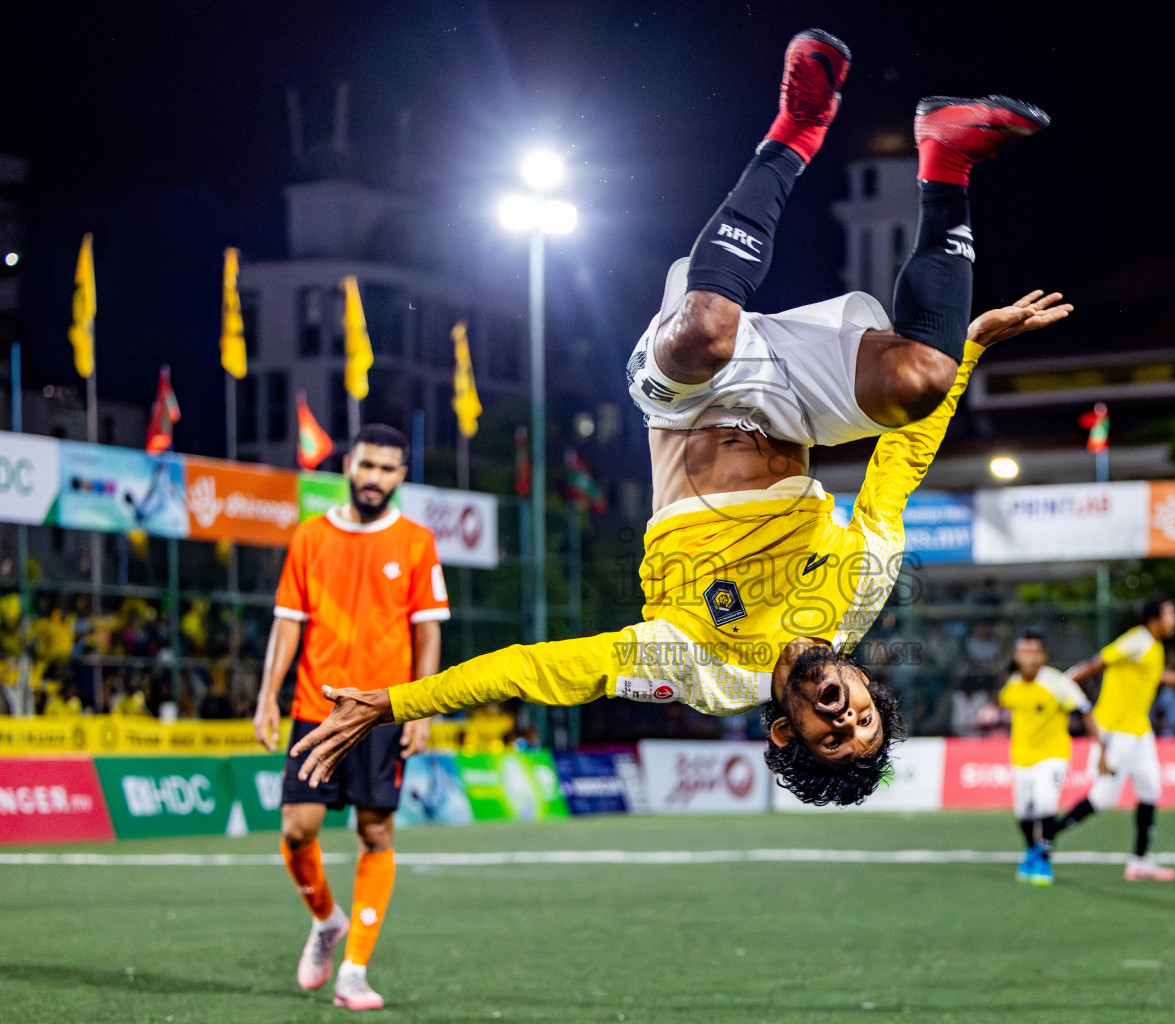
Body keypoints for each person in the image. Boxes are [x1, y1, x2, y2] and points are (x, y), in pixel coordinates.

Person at [291, 29, 1071, 807]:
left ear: (783, 733)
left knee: (706, 331)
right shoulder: (861, 593)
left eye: (834, 735)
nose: (844, 712)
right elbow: (895, 471)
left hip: (684, 401)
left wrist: (397, 700)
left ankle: (795, 129)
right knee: (922, 377)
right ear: (865, 686)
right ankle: (948, 158)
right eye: (864, 717)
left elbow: (551, 667)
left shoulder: (704, 673)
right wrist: (965, 350)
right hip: (790, 403)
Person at [252, 424, 450, 1011]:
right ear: (348, 466)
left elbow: (427, 630)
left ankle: (355, 971)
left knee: (375, 832)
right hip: (316, 709)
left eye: (387, 469)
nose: (374, 478)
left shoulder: (416, 541)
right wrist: (268, 695)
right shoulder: (310, 537)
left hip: (383, 714)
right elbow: (288, 622)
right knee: (296, 829)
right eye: (367, 465)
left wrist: (420, 705)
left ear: (401, 476)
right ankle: (326, 922)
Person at [1045, 597, 1175, 881]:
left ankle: (1139, 862)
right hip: (1116, 731)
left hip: (1139, 731)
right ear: (1154, 619)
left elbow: (1147, 675)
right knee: (1103, 799)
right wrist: (1063, 685)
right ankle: (1045, 836)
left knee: (1150, 790)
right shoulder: (1136, 641)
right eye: (1170, 613)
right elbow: (1098, 662)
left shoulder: (1153, 647)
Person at [997, 631, 1100, 886]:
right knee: (1023, 813)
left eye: (1034, 652)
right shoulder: (1011, 686)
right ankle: (1032, 851)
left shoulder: (1058, 683)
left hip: (1053, 756)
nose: (1029, 657)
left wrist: (1100, 746)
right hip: (1021, 758)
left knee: (1045, 803)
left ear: (1043, 656)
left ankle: (1044, 858)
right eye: (1024, 651)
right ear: (1017, 656)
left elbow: (1086, 710)